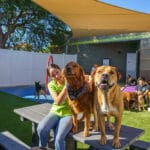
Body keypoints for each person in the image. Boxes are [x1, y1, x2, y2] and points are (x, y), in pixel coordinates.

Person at [37, 64, 72, 150]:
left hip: (69, 113)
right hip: (55, 111)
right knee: (41, 129)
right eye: (53, 75)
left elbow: (83, 78)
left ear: (60, 70)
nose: (57, 75)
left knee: (59, 139)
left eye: (57, 72)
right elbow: (58, 101)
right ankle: (42, 148)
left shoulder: (71, 80)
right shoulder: (51, 85)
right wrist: (66, 86)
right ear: (50, 77)